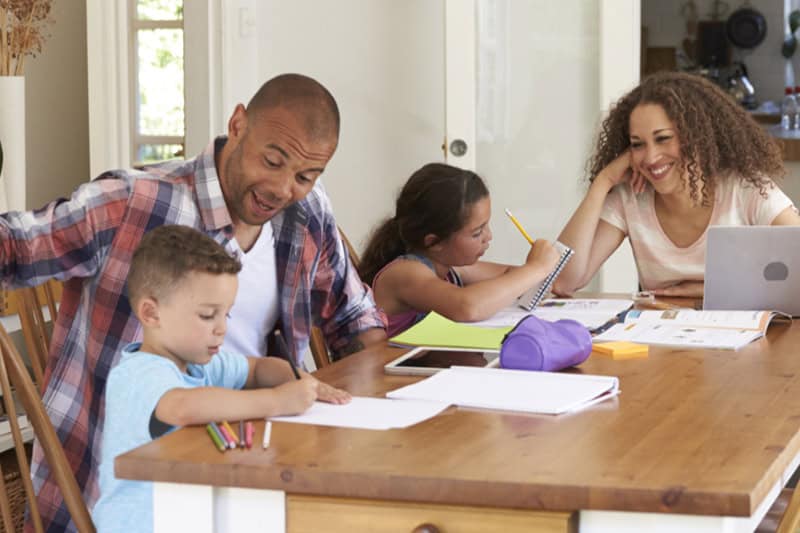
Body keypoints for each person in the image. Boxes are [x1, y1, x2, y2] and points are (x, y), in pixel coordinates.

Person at [1, 73, 386, 531]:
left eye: (305, 176)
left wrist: (377, 407)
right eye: (272, 161)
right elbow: (17, 245)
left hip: (255, 467)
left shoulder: (307, 212)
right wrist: (279, 398)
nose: (283, 188)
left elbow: (353, 315)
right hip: (124, 496)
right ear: (238, 124)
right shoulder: (135, 202)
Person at [92, 225, 350, 533]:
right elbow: (182, 407)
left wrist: (294, 377)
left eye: (225, 315)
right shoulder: (139, 373)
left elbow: (255, 369)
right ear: (151, 314)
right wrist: (276, 401)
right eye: (207, 315)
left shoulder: (198, 365)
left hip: (191, 514)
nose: (221, 329)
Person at [553, 71, 800, 298]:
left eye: (663, 139)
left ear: (697, 135)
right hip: (661, 331)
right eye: (638, 144)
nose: (650, 158)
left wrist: (707, 290)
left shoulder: (745, 190)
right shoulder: (630, 197)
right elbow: (563, 282)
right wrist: (602, 182)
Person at [358, 163, 560, 335]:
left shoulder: (449, 267)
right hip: (393, 370)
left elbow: (509, 275)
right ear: (434, 242)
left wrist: (535, 280)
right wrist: (536, 268)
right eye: (477, 233)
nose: (489, 236)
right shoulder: (404, 273)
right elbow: (468, 306)